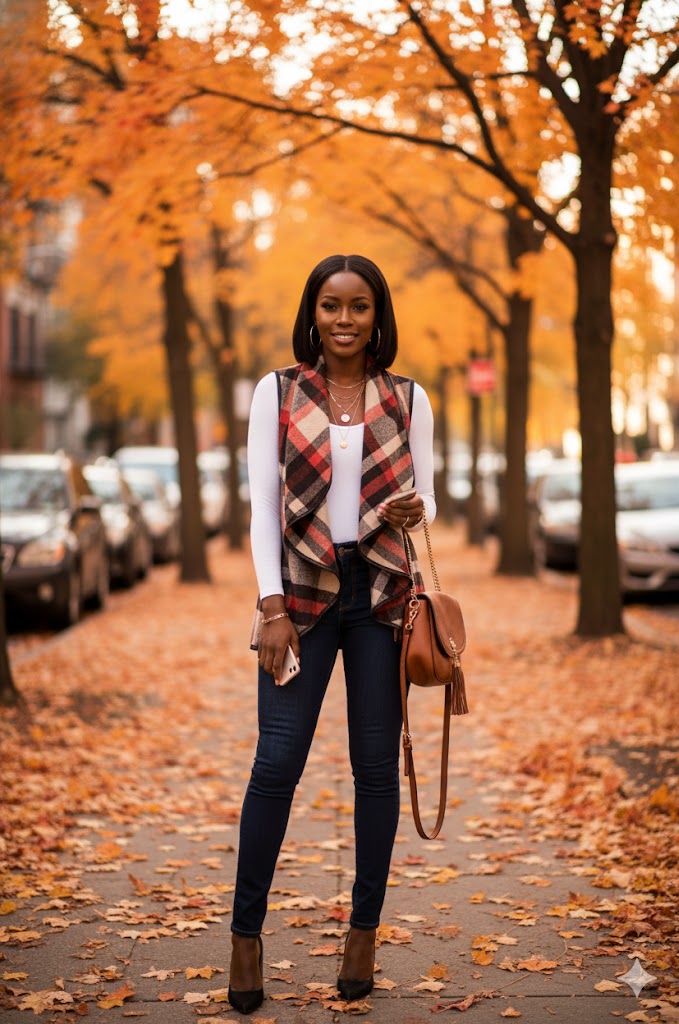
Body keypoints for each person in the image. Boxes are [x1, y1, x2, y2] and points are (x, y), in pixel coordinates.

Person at [228, 254, 435, 1014]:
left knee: (375, 770)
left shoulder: (408, 398)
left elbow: (428, 501)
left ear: (377, 315)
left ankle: (362, 935)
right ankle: (245, 940)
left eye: (357, 307)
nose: (343, 320)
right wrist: (270, 605)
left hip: (379, 595)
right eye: (329, 306)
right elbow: (259, 511)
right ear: (311, 313)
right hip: (301, 597)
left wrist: (414, 512)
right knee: (275, 764)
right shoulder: (275, 392)